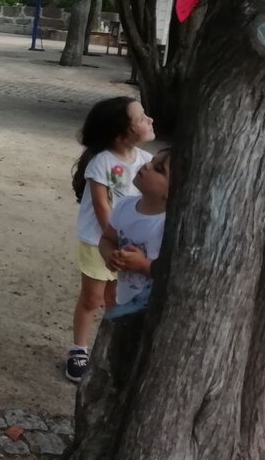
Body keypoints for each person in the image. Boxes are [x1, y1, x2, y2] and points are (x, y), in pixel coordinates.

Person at [65, 96, 155, 382]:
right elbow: (103, 206)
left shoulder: (147, 162)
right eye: (142, 118)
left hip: (130, 246)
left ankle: (111, 348)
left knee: (117, 298)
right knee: (92, 298)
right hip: (99, 241)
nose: (150, 120)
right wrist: (114, 241)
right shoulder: (101, 163)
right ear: (122, 134)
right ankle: (79, 348)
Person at [99, 148, 171, 317]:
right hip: (124, 301)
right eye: (152, 161)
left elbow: (175, 272)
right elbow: (107, 239)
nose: (147, 166)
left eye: (158, 169)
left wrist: (143, 265)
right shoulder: (125, 206)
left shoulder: (169, 223)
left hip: (154, 311)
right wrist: (110, 256)